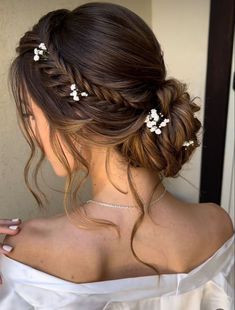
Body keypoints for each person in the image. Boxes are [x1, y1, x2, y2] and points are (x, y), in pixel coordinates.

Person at [0, 2, 234, 309]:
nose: (29, 129)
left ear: (74, 116)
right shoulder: (218, 224)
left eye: (31, 114)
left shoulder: (17, 254)